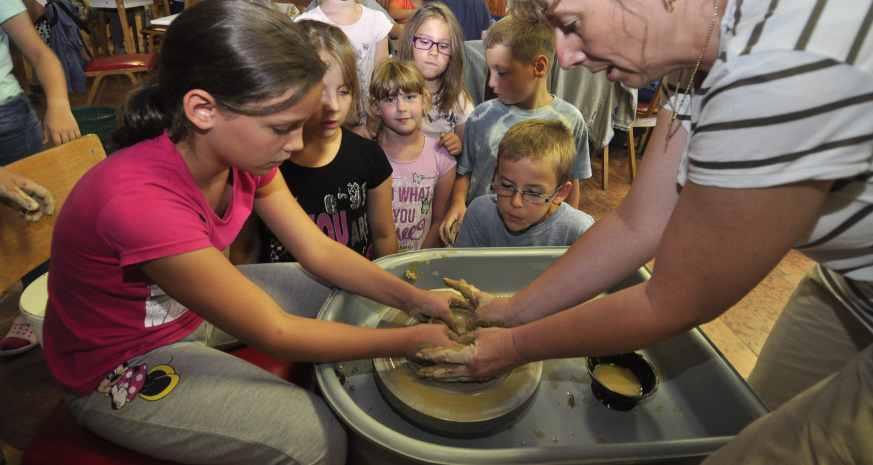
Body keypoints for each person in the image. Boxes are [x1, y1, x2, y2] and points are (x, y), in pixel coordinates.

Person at [418, 0, 873, 463]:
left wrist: (512, 346)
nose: (567, 56)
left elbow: (671, 300)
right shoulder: (693, 53)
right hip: (850, 286)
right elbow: (639, 222)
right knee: (759, 419)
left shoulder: (781, 69)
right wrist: (511, 310)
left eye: (573, 26)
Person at [40, 2, 462, 464]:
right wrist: (410, 340)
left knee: (336, 293)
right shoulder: (140, 203)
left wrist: (413, 298)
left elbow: (319, 250)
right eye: (282, 128)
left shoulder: (241, 155)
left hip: (181, 309)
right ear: (202, 109)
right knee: (315, 438)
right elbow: (275, 331)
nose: (297, 144)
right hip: (118, 360)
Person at [439, 14, 590, 245]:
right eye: (490, 71)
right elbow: (465, 172)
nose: (491, 83)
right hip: (484, 235)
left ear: (539, 66)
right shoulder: (480, 116)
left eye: (502, 72)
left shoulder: (571, 120)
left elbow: (572, 186)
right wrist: (458, 203)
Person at [259, 20, 397, 262]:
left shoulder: (369, 156)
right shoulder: (264, 163)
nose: (333, 106)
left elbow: (384, 237)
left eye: (343, 91)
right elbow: (247, 248)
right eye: (320, 91)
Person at [0, 0, 79, 356]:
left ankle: (41, 302)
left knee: (35, 219)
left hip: (7, 118)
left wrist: (59, 104)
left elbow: (39, 53)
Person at [454, 119, 593, 248]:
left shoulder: (581, 232)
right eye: (507, 186)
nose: (516, 202)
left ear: (560, 193)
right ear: (495, 176)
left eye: (533, 193)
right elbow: (461, 270)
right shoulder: (479, 213)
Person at [369, 59, 455, 251]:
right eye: (390, 99)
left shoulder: (443, 157)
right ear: (376, 107)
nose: (401, 107)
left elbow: (438, 220)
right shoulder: (367, 155)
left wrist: (417, 263)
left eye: (409, 97)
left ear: (424, 100)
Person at [296, 0, 392, 136]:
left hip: (366, 125)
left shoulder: (377, 21)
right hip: (319, 126)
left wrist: (371, 126)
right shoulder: (305, 23)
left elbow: (382, 82)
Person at [396, 2, 473, 157]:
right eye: (425, 42)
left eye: (443, 46)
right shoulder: (392, 89)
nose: (434, 52)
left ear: (453, 53)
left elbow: (466, 152)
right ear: (410, 42)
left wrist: (457, 144)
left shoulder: (459, 99)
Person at [426, 0, 491, 41]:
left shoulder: (435, 4)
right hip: (473, 58)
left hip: (451, 57)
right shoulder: (480, 2)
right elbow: (485, 35)